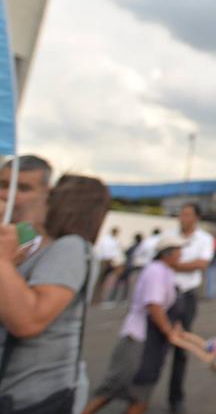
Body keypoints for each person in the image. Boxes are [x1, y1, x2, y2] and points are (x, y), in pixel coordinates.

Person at [0, 169, 109, 414]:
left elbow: (28, 320)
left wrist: (3, 262)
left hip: (33, 396)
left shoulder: (70, 247)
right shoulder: (43, 246)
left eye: (48, 196)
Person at [83, 235, 184, 414]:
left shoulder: (167, 272)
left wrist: (173, 327)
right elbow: (153, 305)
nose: (181, 255)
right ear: (167, 254)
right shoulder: (156, 271)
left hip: (151, 342)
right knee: (114, 388)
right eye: (178, 251)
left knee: (140, 396)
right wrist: (168, 330)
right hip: (139, 339)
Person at [167, 203, 213, 413]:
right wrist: (185, 265)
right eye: (181, 214)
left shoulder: (204, 239)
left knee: (181, 344)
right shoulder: (169, 236)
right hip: (165, 293)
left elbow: (201, 264)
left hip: (187, 295)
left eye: (187, 214)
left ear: (197, 217)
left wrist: (174, 265)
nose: (182, 218)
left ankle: (175, 397)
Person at [111, 233, 144, 303]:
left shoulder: (135, 247)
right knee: (126, 282)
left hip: (128, 265)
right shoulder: (141, 246)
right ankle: (123, 298)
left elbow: (126, 253)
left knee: (120, 281)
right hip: (132, 266)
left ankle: (114, 297)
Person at [94, 227, 123, 305]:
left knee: (105, 281)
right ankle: (95, 298)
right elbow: (106, 251)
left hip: (111, 260)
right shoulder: (107, 239)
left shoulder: (114, 240)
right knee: (99, 280)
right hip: (105, 260)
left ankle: (99, 297)